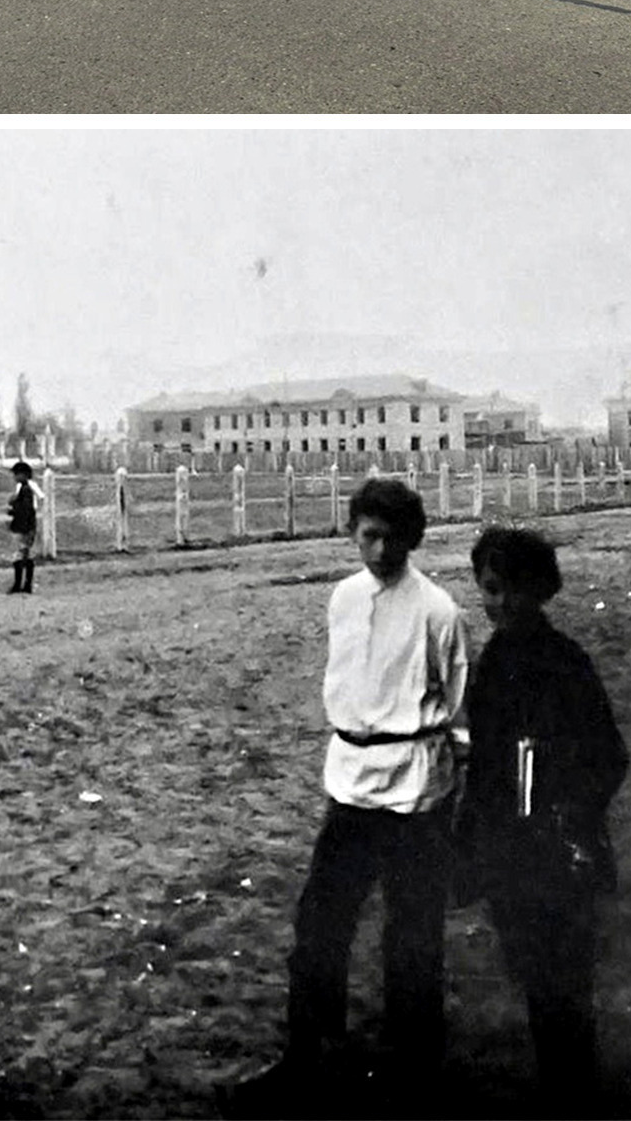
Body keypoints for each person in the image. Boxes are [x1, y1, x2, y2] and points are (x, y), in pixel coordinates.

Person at [228, 477, 469, 1116]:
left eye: (392, 538)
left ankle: (413, 1070)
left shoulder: (439, 611)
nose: (380, 550)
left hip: (416, 788)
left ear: (412, 540)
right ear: (352, 533)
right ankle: (309, 1055)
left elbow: (461, 714)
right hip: (351, 784)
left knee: (411, 935)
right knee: (319, 925)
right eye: (368, 535)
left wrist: (452, 796)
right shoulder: (341, 598)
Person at [456, 527, 628, 1117]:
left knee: (565, 985)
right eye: (491, 590)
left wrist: (569, 808)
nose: (501, 604)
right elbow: (482, 764)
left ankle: (574, 1095)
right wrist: (470, 844)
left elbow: (610, 755)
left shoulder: (566, 663)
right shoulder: (492, 662)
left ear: (542, 592)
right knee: (534, 976)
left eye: (514, 591)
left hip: (561, 851)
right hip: (510, 851)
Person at [7, 460, 40, 594]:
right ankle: (26, 584)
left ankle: (20, 584)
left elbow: (25, 510)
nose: (15, 477)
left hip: (22, 527)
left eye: (17, 474)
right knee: (25, 555)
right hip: (26, 526)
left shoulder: (25, 491)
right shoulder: (25, 490)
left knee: (20, 556)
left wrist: (13, 508)